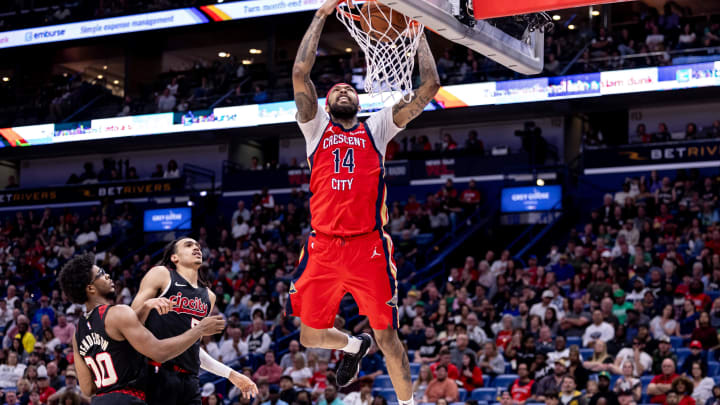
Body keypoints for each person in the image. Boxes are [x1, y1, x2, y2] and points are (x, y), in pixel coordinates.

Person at [289, 1, 440, 404]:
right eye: (335, 89)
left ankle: (408, 403)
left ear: (358, 101)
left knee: (388, 334)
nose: (342, 90)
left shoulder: (378, 126)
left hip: (367, 245)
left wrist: (420, 32)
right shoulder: (314, 127)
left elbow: (429, 87)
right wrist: (321, 15)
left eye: (349, 89)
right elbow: (301, 73)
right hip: (323, 246)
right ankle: (353, 346)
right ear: (325, 102)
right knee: (308, 334)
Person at [57, 253, 228, 404]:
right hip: (129, 398)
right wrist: (198, 330)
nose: (107, 275)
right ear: (91, 288)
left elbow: (87, 388)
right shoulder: (118, 312)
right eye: (101, 274)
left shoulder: (77, 331)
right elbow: (159, 352)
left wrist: (145, 307)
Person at [131, 238, 258, 405]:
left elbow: (193, 347)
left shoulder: (208, 296)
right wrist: (148, 305)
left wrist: (231, 374)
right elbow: (130, 322)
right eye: (188, 245)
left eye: (198, 246)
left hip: (190, 380)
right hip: (157, 372)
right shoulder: (162, 274)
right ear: (174, 258)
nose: (196, 248)